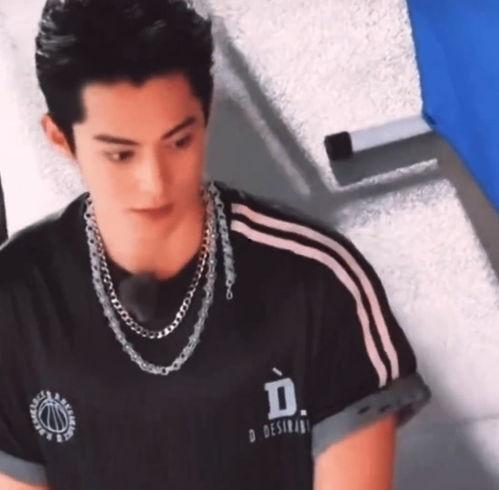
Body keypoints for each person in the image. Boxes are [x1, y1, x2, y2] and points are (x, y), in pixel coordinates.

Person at [0, 1, 432, 489]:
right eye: (120, 154)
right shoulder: (16, 302)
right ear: (61, 138)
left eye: (178, 143)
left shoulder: (319, 281)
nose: (154, 183)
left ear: (205, 117)